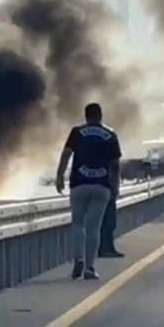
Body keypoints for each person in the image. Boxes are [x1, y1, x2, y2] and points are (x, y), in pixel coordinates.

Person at [56, 103, 122, 280]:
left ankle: (78, 258)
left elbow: (66, 154)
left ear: (85, 116)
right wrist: (116, 187)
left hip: (79, 183)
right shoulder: (110, 135)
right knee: (94, 227)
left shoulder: (77, 132)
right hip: (102, 185)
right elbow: (115, 165)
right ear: (101, 116)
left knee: (78, 223)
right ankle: (90, 268)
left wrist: (60, 176)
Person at [98, 189, 124, 258]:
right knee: (108, 224)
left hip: (109, 195)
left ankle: (109, 248)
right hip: (108, 195)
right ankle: (105, 249)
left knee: (110, 224)